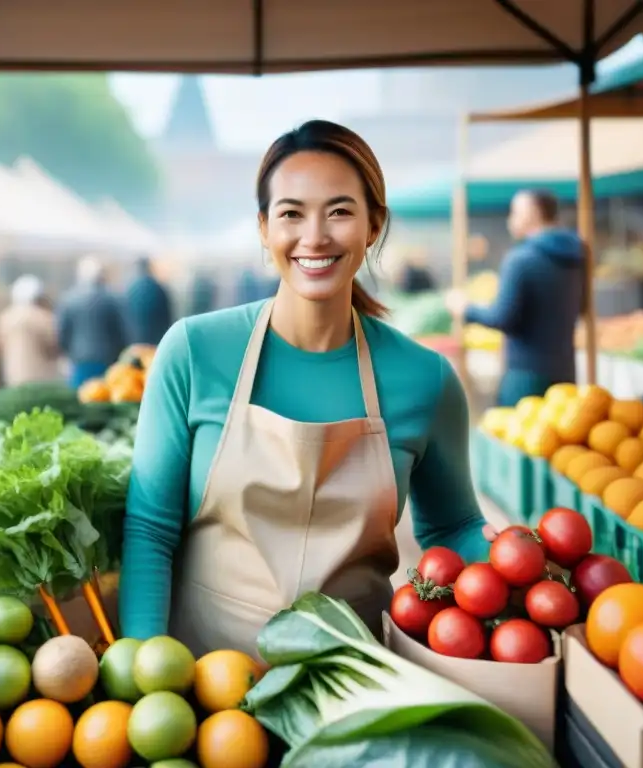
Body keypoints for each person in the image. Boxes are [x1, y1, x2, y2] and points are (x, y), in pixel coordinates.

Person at [120, 120, 495, 658]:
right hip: (201, 692)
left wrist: (523, 560)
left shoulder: (425, 379)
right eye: (291, 213)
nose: (314, 236)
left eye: (339, 211)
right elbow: (150, 530)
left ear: (374, 225)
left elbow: (454, 525)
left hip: (352, 686)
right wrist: (145, 673)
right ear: (263, 227)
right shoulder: (193, 352)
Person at [445, 189, 585, 408]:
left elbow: (502, 317)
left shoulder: (520, 259)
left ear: (534, 213)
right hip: (565, 372)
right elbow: (583, 307)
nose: (510, 219)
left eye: (515, 212)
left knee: (518, 437)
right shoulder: (577, 256)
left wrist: (465, 308)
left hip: (526, 376)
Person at [58, 256, 129, 389]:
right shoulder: (112, 299)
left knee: (80, 399)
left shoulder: (69, 299)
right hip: (108, 359)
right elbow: (121, 332)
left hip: (79, 359)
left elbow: (62, 332)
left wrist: (67, 352)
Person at [0, 274, 60, 387]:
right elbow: (54, 344)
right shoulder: (43, 317)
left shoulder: (5, 318)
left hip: (13, 376)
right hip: (41, 377)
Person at [125, 257, 173, 345]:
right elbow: (167, 315)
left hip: (135, 341)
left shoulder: (130, 289)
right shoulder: (157, 287)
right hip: (156, 340)